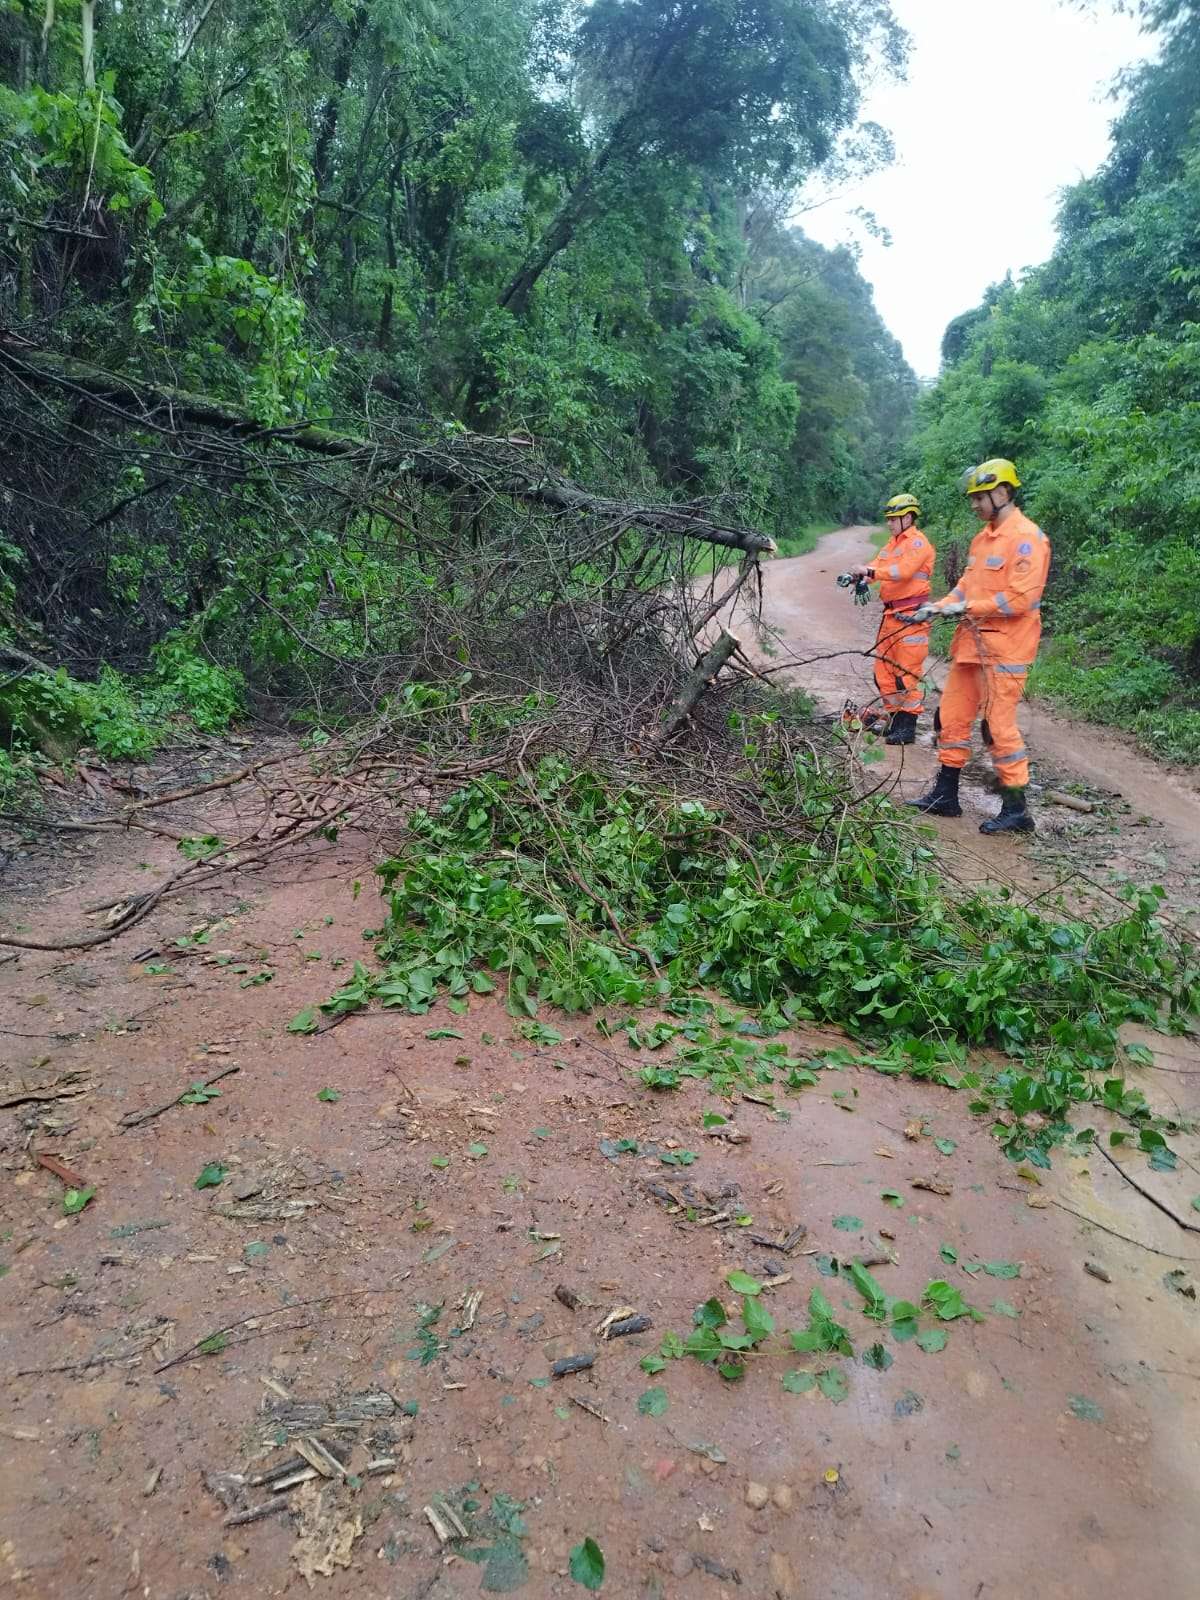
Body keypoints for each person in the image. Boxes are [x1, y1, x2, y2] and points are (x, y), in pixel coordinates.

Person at [907, 458, 1050, 834]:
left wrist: (965, 607)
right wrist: (935, 608)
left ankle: (1017, 809)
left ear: (1002, 493)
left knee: (998, 727)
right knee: (951, 717)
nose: (974, 505)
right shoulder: (982, 538)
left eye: (979, 497)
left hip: (1007, 649)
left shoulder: (1028, 539)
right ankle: (946, 794)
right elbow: (967, 585)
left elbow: (1020, 600)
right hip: (971, 645)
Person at [848, 492, 935, 746]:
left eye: (894, 518)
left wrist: (871, 571)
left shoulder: (918, 543)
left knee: (905, 674)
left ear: (908, 517)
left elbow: (903, 571)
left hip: (911, 618)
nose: (889, 523)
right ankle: (896, 721)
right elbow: (877, 567)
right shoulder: (892, 544)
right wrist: (861, 577)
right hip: (890, 616)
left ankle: (907, 727)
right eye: (888, 519)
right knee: (882, 672)